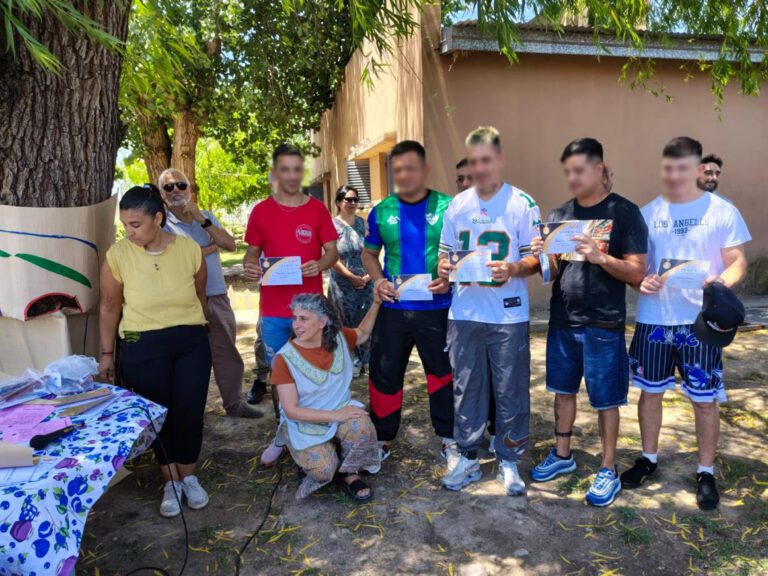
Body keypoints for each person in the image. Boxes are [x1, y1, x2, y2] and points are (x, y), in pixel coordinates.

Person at [622, 137, 751, 511]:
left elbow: (737, 261)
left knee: (705, 399)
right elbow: (637, 266)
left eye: (684, 166)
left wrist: (719, 283)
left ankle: (705, 471)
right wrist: (639, 280)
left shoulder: (722, 210)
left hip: (701, 322)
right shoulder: (647, 213)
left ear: (698, 169)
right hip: (654, 319)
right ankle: (648, 459)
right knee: (650, 392)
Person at [529, 138, 647, 507]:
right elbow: (552, 271)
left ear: (599, 169)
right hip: (563, 321)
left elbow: (637, 273)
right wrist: (540, 256)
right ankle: (562, 455)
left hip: (603, 324)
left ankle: (608, 468)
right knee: (562, 392)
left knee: (605, 400)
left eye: (579, 170)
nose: (573, 178)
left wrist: (601, 257)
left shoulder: (624, 212)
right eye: (568, 171)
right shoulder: (560, 214)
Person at [438, 126, 541, 496]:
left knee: (510, 389)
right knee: (467, 388)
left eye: (486, 160)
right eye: (474, 161)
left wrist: (514, 269)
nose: (480, 168)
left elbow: (537, 257)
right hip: (465, 311)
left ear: (498, 160)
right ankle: (467, 456)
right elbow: (444, 255)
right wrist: (444, 268)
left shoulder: (522, 203)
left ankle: (509, 459)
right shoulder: (457, 205)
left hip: (508, 314)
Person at [98, 184, 212, 518]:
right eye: (124, 225)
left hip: (190, 342)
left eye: (135, 224)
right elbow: (108, 308)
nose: (128, 231)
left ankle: (189, 477)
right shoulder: (118, 255)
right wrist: (107, 354)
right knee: (159, 416)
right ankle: (171, 482)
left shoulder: (189, 249)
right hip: (141, 344)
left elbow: (199, 296)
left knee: (189, 412)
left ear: (158, 218)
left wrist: (195, 327)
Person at [361, 140, 457, 472]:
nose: (404, 175)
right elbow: (368, 254)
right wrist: (377, 280)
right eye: (398, 169)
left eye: (411, 168)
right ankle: (381, 440)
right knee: (385, 374)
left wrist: (451, 277)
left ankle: (450, 439)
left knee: (443, 375)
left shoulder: (449, 207)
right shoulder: (382, 211)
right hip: (393, 310)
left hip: (439, 308)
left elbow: (463, 253)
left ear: (425, 170)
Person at [244, 143, 339, 466]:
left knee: (314, 372)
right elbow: (251, 254)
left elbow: (332, 252)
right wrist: (250, 265)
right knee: (278, 375)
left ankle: (319, 431)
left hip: (311, 311)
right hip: (273, 312)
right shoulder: (260, 211)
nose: (292, 175)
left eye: (297, 169)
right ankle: (284, 434)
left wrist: (320, 264)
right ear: (275, 173)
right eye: (285, 169)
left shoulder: (317, 209)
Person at [159, 168, 262, 419]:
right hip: (184, 299)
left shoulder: (206, 216)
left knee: (226, 351)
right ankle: (190, 411)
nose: (175, 191)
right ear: (162, 192)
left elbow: (230, 245)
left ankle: (235, 404)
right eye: (169, 187)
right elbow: (174, 259)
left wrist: (202, 222)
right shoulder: (161, 224)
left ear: (190, 188)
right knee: (188, 358)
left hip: (216, 294)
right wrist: (207, 248)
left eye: (180, 185)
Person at [273, 293, 382, 501]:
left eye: (303, 319)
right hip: (304, 420)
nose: (296, 325)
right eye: (294, 318)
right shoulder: (284, 359)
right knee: (323, 470)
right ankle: (304, 452)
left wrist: (376, 302)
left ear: (323, 322)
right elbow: (291, 410)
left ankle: (349, 473)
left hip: (338, 409)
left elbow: (363, 333)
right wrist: (336, 416)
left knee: (362, 425)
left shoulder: (339, 338)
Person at [328, 185, 373, 377]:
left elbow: (373, 252)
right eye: (348, 199)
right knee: (345, 321)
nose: (353, 203)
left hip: (366, 281)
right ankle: (352, 359)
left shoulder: (363, 224)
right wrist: (350, 277)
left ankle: (368, 359)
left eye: (355, 200)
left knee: (367, 320)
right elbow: (330, 257)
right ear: (338, 202)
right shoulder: (331, 225)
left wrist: (368, 276)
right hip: (342, 284)